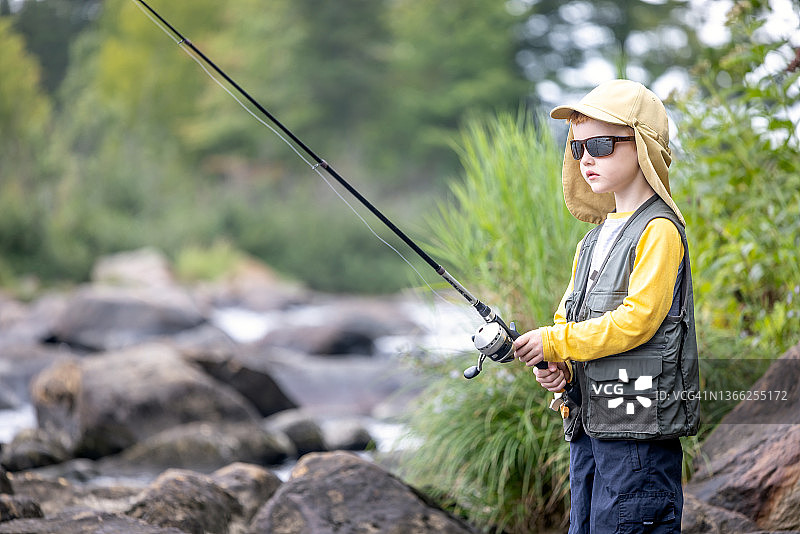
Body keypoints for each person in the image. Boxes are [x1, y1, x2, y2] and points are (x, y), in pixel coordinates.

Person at [513, 79, 700, 533]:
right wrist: (557, 364)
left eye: (599, 143)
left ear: (643, 146)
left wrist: (556, 341)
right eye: (577, 148)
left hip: (639, 435)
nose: (587, 158)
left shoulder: (659, 231)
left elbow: (637, 321)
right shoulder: (591, 241)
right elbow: (567, 319)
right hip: (590, 427)